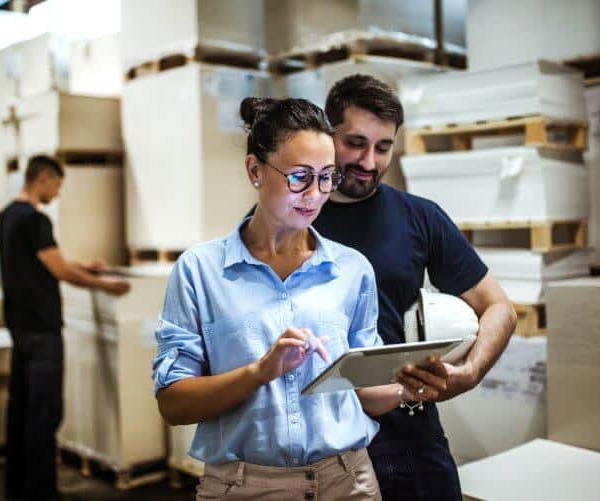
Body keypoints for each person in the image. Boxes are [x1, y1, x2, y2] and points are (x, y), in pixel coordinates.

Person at [153, 98, 420, 501]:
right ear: (255, 170)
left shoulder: (352, 270)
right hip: (241, 487)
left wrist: (409, 386)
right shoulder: (200, 271)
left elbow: (365, 391)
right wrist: (259, 372)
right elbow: (173, 405)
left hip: (347, 482)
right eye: (299, 176)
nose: (315, 194)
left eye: (327, 177)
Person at [312, 75, 519, 500]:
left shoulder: (419, 217)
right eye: (355, 143)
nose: (369, 161)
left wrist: (470, 372)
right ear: (326, 133)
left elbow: (498, 307)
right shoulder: (290, 219)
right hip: (316, 443)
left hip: (407, 435)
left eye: (383, 147)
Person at [0, 154, 130, 500]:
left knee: (20, 411)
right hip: (43, 332)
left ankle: (18, 488)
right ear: (42, 179)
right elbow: (59, 271)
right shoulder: (35, 220)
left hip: (20, 329)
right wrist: (104, 285)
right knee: (45, 412)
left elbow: (42, 262)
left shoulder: (8, 217)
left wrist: (84, 265)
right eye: (56, 186)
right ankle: (42, 491)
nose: (56, 194)